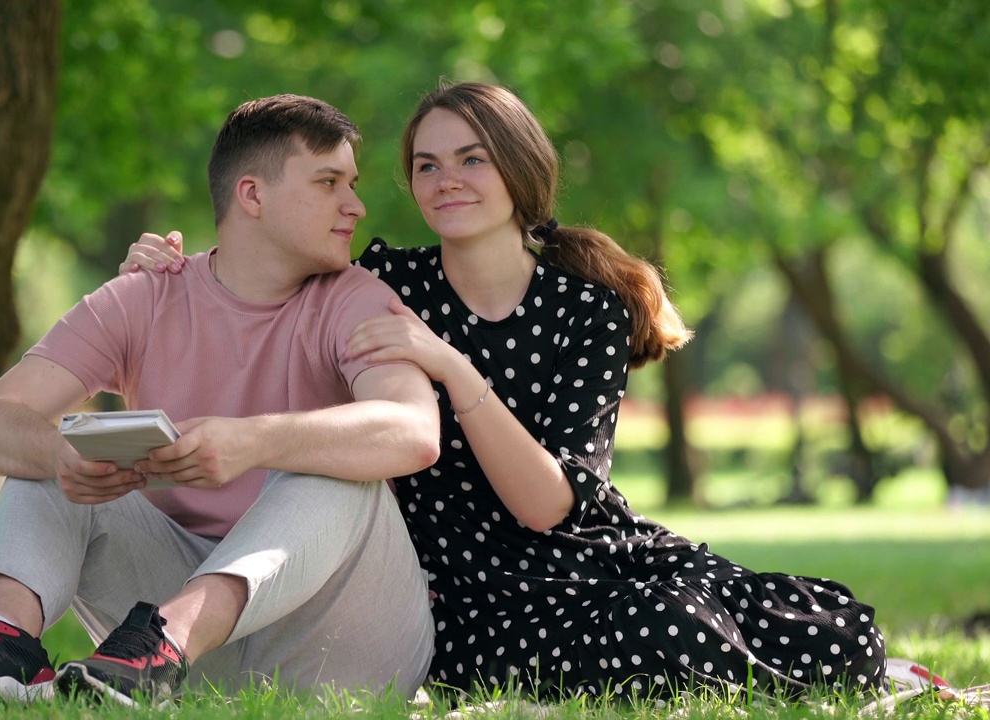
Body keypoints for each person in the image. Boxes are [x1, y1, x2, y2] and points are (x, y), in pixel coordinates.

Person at [120, 81, 888, 702]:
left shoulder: (587, 310)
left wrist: (451, 365)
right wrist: (165, 277)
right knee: (675, 628)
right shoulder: (385, 281)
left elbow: (548, 505)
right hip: (448, 590)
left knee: (842, 630)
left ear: (519, 171)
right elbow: (253, 285)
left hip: (576, 557)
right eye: (426, 164)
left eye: (471, 159)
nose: (446, 178)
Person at [0, 94, 441, 705]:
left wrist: (254, 440)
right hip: (179, 653)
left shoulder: (355, 298)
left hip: (344, 642)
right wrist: (63, 458)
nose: (355, 205)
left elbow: (414, 430)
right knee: (52, 457)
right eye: (328, 182)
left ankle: (166, 641)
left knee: (331, 468)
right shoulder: (143, 296)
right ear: (253, 195)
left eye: (353, 183)